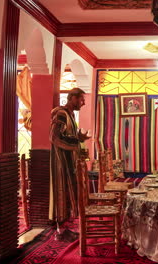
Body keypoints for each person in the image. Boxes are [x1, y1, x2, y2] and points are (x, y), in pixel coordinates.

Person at [49, 87, 90, 241]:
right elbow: (54, 137)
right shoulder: (61, 114)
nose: (83, 102)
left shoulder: (69, 115)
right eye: (81, 99)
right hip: (61, 163)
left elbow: (67, 136)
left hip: (69, 162)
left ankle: (65, 228)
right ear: (72, 98)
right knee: (62, 193)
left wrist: (78, 138)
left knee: (68, 193)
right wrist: (76, 140)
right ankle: (60, 231)